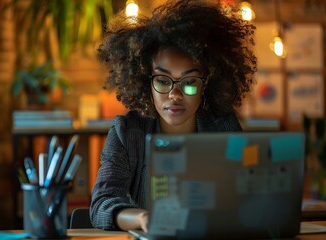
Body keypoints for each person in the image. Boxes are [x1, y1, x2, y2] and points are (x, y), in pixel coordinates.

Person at [90, 0, 256, 232]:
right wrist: (142, 218)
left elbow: (245, 195)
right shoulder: (127, 132)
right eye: (162, 80)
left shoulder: (222, 126)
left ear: (205, 85)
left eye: (188, 83)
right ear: (146, 82)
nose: (174, 94)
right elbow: (101, 205)